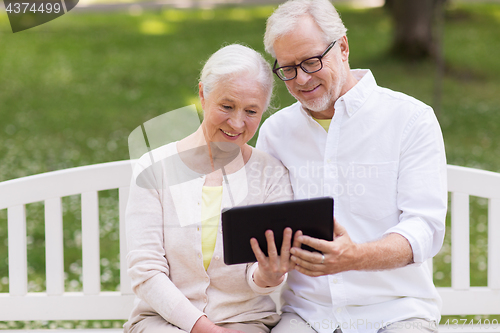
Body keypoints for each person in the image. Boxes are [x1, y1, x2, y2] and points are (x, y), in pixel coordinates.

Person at [256, 1, 448, 333]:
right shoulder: (277, 132)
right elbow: (265, 223)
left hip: (397, 312)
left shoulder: (410, 119)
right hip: (307, 314)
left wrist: (355, 256)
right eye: (288, 68)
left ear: (342, 47)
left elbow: (424, 229)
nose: (301, 79)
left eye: (312, 62)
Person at [124, 44, 295, 333]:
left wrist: (269, 275)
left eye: (251, 111)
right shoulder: (154, 168)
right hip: (161, 322)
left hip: (245, 323)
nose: (237, 123)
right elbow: (146, 272)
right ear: (203, 94)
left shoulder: (271, 174)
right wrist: (207, 330)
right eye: (227, 106)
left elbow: (260, 278)